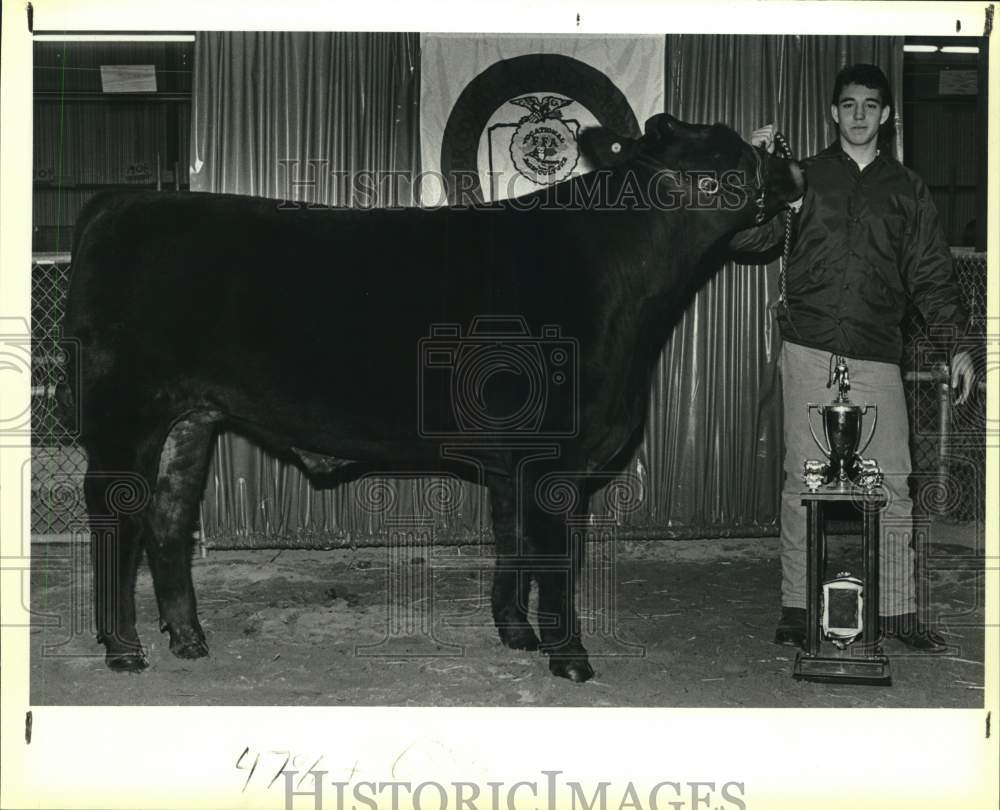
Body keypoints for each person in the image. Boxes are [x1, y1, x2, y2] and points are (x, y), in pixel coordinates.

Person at [730, 63, 975, 651]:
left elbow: (932, 278)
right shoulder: (801, 176)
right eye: (849, 104)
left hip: (875, 354)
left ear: (885, 116)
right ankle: (795, 605)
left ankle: (893, 610)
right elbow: (746, 242)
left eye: (871, 105)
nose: (859, 114)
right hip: (809, 347)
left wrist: (958, 345)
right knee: (801, 483)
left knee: (893, 484)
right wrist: (756, 176)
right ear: (832, 113)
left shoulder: (908, 189)